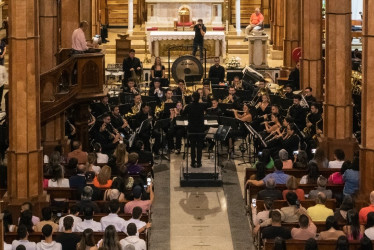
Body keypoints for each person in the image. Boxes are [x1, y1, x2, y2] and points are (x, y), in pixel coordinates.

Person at [183, 92, 206, 168]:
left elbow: (182, 114)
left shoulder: (188, 106)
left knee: (192, 146)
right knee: (199, 146)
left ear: (192, 98)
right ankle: (199, 162)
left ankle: (193, 162)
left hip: (192, 129)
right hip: (200, 129)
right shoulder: (202, 106)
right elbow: (209, 105)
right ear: (199, 98)